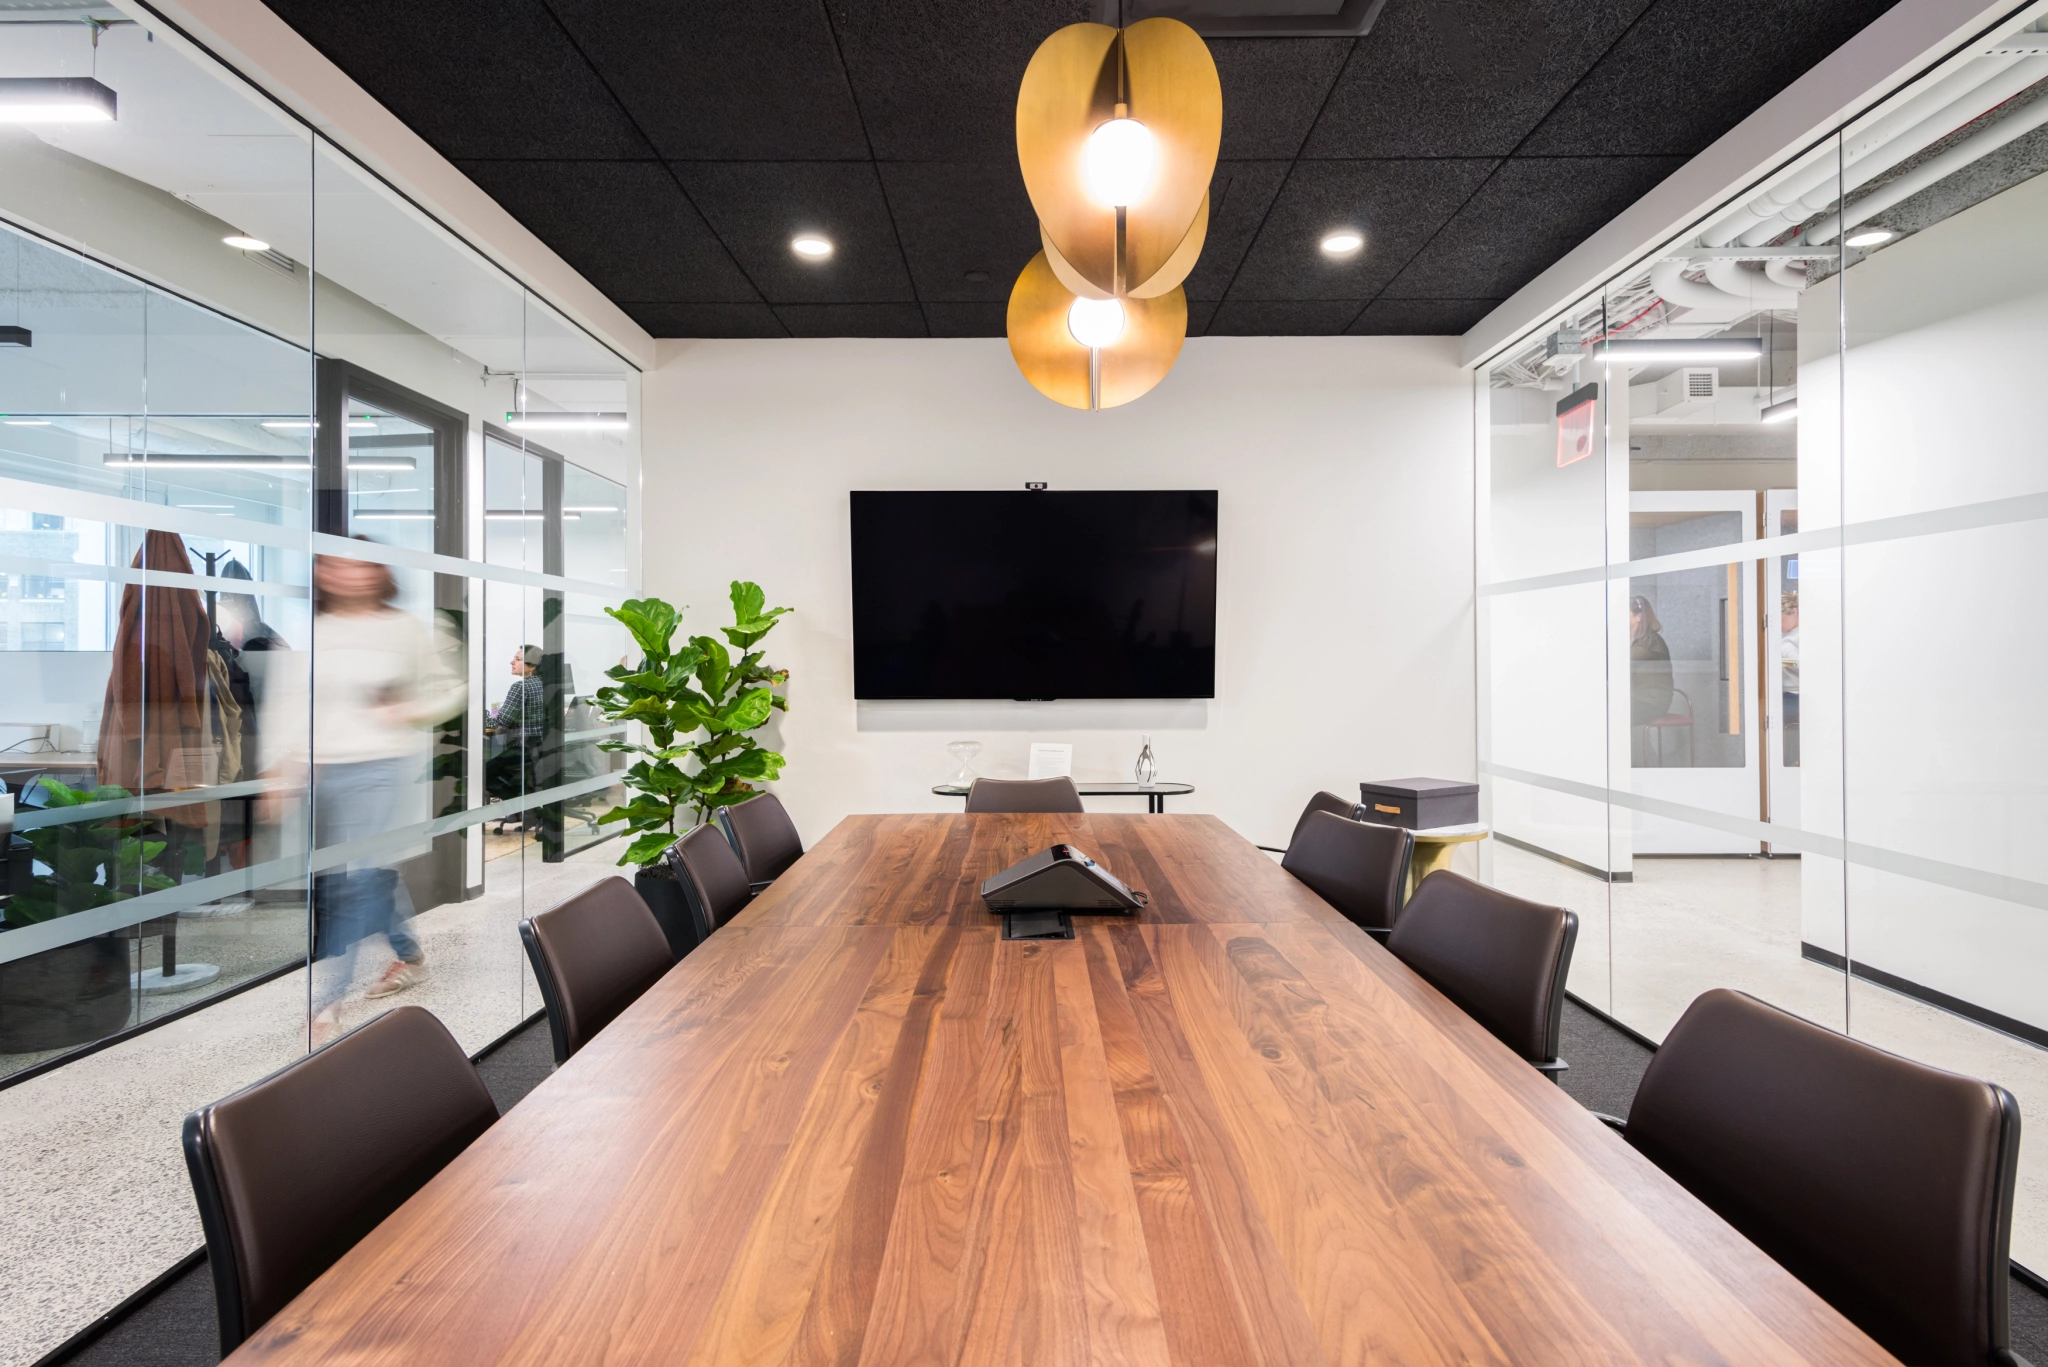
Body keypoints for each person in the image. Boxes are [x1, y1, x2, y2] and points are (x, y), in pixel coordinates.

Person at [261, 544, 464, 1046]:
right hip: (321, 767)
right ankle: (409, 954)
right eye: (332, 563)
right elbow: (289, 702)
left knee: (351, 881)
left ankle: (327, 997)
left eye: (356, 563)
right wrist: (278, 769)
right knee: (364, 873)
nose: (342, 572)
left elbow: (450, 687)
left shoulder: (404, 629)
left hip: (380, 763)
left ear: (379, 572)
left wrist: (408, 712)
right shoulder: (318, 631)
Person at [1629, 593, 1674, 728]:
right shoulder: (1632, 640)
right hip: (1637, 699)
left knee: (1611, 716)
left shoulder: (1650, 641)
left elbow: (1618, 663)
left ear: (1639, 616)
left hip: (1652, 702)